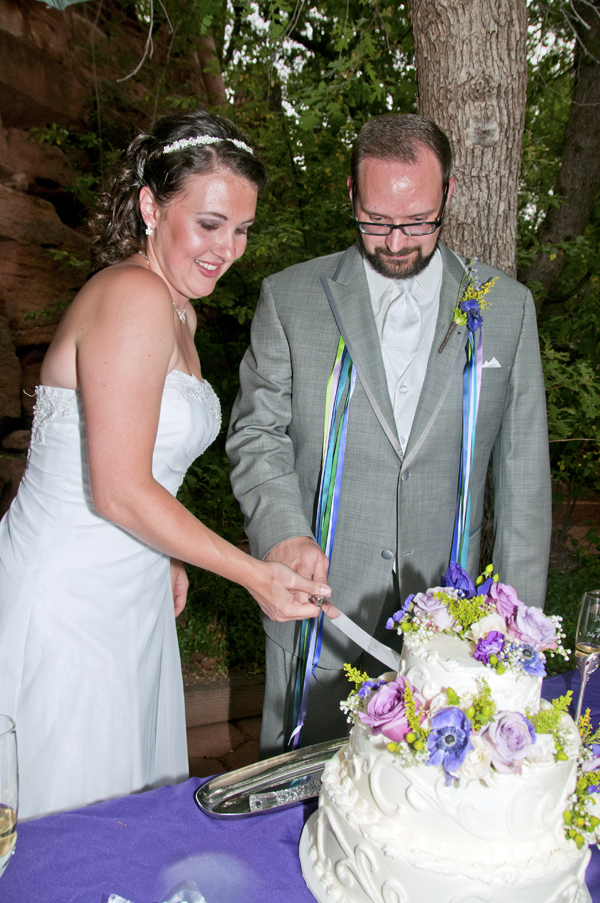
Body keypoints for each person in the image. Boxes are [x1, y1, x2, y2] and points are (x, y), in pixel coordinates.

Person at [0, 111, 332, 820]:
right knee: (70, 820)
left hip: (130, 595)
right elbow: (119, 487)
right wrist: (253, 573)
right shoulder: (132, 295)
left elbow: (141, 465)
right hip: (69, 601)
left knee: (121, 811)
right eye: (210, 223)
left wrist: (165, 552)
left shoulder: (181, 312)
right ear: (151, 205)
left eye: (242, 229)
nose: (229, 249)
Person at [226, 113, 552, 756]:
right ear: (351, 192)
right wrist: (285, 532)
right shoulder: (289, 299)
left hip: (456, 637)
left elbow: (523, 481)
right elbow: (256, 435)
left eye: (419, 221)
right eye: (376, 221)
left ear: (450, 194)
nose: (397, 240)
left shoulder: (506, 308)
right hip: (322, 623)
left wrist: (519, 635)